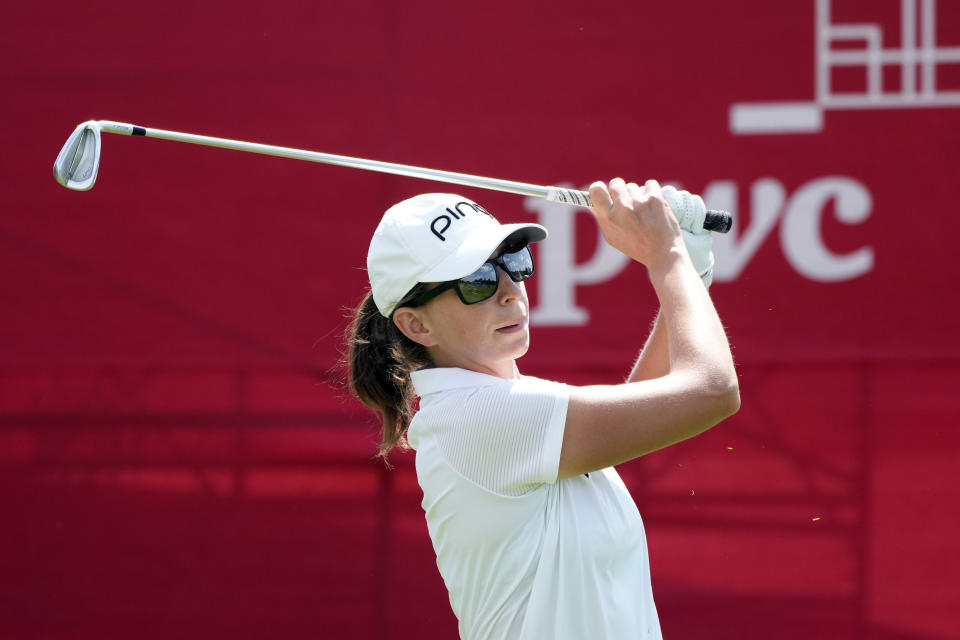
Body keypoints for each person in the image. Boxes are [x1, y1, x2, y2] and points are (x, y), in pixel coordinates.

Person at [346, 179, 739, 639]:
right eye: (476, 281)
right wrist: (668, 256)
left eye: (512, 263)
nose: (510, 290)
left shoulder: (506, 411)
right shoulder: (479, 417)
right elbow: (713, 391)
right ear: (416, 325)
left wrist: (690, 270)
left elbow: (652, 404)